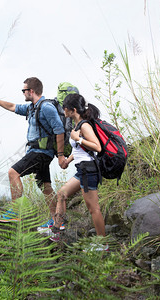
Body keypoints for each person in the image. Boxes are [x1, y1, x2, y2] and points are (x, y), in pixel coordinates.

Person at [0, 77, 67, 222]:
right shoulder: (32, 108)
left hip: (40, 152)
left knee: (13, 172)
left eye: (24, 90)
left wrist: (60, 155)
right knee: (45, 186)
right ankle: (56, 220)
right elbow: (12, 107)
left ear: (31, 91)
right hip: (39, 152)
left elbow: (59, 130)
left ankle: (16, 212)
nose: (23, 93)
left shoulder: (46, 107)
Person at [43, 93, 108, 251]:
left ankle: (103, 244)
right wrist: (68, 160)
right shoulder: (77, 126)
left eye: (65, 107)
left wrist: (78, 139)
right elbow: (80, 150)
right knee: (61, 194)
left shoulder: (84, 126)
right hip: (82, 170)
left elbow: (97, 147)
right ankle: (58, 229)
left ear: (72, 110)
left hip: (89, 170)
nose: (62, 109)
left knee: (94, 208)